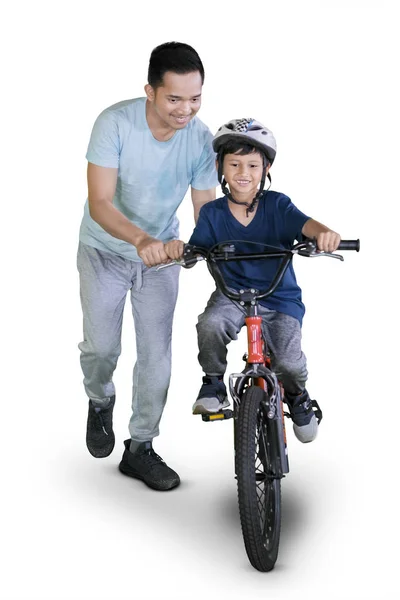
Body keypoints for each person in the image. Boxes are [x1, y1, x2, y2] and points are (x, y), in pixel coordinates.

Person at [77, 42, 218, 491]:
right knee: (102, 349)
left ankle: (140, 447)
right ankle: (100, 400)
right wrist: (140, 239)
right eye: (175, 98)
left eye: (195, 98)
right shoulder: (115, 123)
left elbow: (205, 210)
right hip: (105, 250)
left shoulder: (200, 138)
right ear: (151, 92)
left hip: (161, 259)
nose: (186, 109)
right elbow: (100, 203)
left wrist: (207, 246)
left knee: (156, 356)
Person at [184, 118, 341, 443]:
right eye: (235, 164)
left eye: (253, 164)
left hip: (278, 298)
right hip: (231, 295)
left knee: (288, 362)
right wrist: (183, 252)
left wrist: (323, 234)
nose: (244, 172)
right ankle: (213, 381)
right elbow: (196, 247)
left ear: (266, 167)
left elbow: (307, 225)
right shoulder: (213, 213)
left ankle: (297, 396)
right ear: (220, 168)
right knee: (210, 324)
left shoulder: (277, 205)